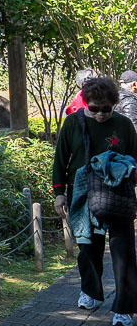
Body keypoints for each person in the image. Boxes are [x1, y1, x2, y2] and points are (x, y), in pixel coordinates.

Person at [53, 76, 137, 325]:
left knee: (124, 252)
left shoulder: (123, 125)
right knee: (88, 248)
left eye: (106, 109)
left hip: (119, 194)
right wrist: (59, 192)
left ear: (114, 105)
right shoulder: (73, 123)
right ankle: (91, 292)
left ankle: (125, 308)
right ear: (86, 104)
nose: (100, 114)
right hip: (83, 194)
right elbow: (60, 159)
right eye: (94, 109)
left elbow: (135, 158)